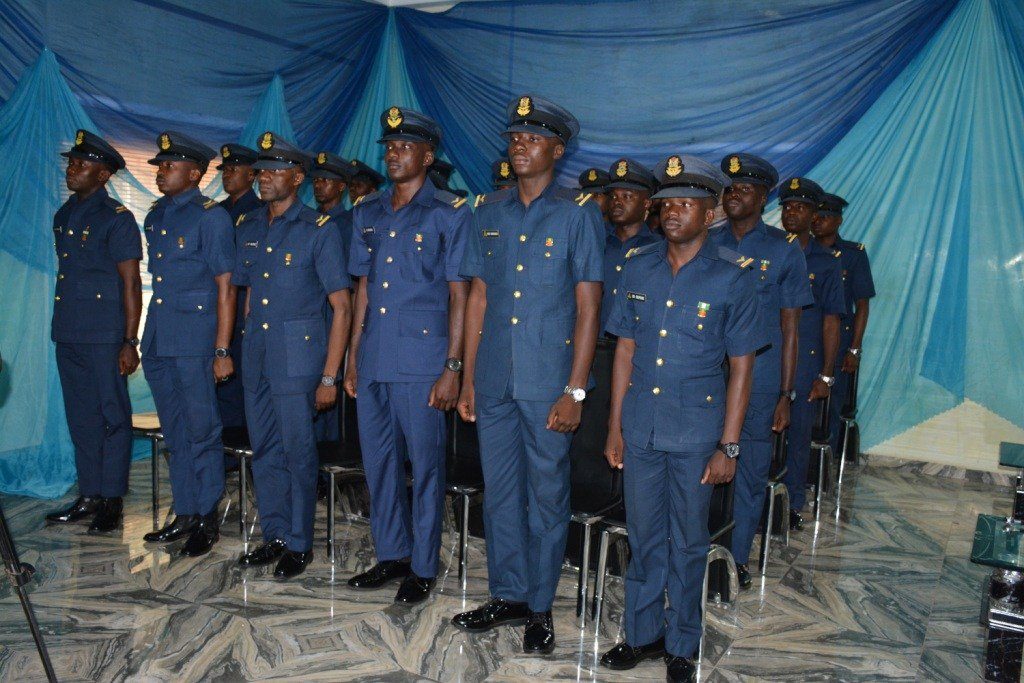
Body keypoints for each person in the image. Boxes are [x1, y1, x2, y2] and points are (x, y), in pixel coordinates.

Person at [598, 155, 762, 683]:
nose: (673, 212)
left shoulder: (732, 278)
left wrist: (729, 446)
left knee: (688, 541)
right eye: (667, 203)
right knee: (644, 537)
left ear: (711, 213)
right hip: (642, 427)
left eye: (687, 203)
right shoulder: (639, 266)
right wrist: (614, 426)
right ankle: (642, 635)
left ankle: (682, 641)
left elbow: (741, 369)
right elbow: (624, 350)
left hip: (696, 434)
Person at [452, 95, 603, 654]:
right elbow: (479, 298)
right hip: (493, 379)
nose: (520, 146)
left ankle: (539, 607)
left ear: (557, 150)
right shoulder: (487, 211)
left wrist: (575, 389)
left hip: (548, 386)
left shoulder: (578, 214)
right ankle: (508, 593)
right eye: (515, 138)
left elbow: (589, 307)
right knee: (501, 494)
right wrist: (467, 377)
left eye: (532, 139)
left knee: (546, 495)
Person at [343, 107, 471, 603]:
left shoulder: (450, 212)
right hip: (375, 356)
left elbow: (460, 295)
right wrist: (354, 356)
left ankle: (422, 563)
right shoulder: (368, 212)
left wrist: (453, 367)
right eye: (389, 147)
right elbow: (364, 290)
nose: (394, 155)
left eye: (404, 147)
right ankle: (391, 553)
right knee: (379, 463)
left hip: (423, 362)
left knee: (426, 466)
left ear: (427, 155)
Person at [233, 132, 351, 579]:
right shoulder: (248, 225)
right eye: (261, 171)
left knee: (299, 452)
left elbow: (342, 306)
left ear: (298, 178)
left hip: (298, 361)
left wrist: (328, 376)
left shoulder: (317, 231)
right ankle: (275, 534)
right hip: (258, 356)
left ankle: (299, 543)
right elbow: (247, 295)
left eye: (274, 171)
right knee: (264, 448)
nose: (264, 178)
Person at [709, 153, 811, 587]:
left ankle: (738, 557)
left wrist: (786, 394)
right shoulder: (707, 242)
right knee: (700, 466)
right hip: (709, 374)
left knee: (750, 472)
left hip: (763, 377)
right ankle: (701, 551)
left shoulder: (782, 251)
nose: (734, 196)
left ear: (763, 197)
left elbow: (791, 328)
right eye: (729, 189)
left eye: (744, 190)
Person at [139, 132, 236, 557]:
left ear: (194, 174)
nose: (160, 172)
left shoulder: (210, 217)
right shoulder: (157, 215)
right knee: (174, 430)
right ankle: (185, 509)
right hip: (160, 336)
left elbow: (225, 287)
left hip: (196, 339)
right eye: (160, 166)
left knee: (201, 427)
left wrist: (220, 349)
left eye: (168, 166)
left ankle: (207, 515)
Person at [45, 130, 142, 534]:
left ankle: (112, 498)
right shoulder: (64, 215)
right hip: (69, 331)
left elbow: (131, 283)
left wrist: (129, 340)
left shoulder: (117, 219)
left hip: (105, 335)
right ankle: (89, 493)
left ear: (103, 175)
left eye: (82, 165)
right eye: (71, 162)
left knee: (112, 415)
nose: (72, 169)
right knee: (80, 417)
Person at [778, 178, 845, 530]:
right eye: (787, 206)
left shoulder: (826, 261)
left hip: (805, 361)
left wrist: (826, 374)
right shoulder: (771, 249)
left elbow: (832, 320)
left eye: (800, 208)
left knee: (798, 435)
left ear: (813, 215)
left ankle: (792, 503)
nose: (792, 213)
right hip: (767, 358)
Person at [813, 192, 875, 457]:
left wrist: (854, 349)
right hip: (806, 340)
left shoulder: (853, 255)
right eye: (815, 216)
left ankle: (824, 469)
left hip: (837, 343)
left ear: (838, 221)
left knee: (831, 409)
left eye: (825, 217)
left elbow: (862, 304)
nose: (818, 221)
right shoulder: (798, 250)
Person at [309, 151, 355, 443]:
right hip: (311, 320)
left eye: (327, 180)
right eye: (317, 180)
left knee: (329, 412)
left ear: (341, 187)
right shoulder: (307, 222)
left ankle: (330, 484)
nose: (319, 185)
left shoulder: (350, 223)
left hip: (336, 316)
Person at [216, 143, 261, 435]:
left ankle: (246, 456)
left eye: (234, 169)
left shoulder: (259, 213)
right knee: (220, 390)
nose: (227, 174)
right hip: (218, 308)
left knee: (245, 387)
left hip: (246, 308)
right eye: (225, 170)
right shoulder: (216, 212)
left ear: (252, 175)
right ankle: (228, 458)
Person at [601, 157, 660, 333]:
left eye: (627, 196)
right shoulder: (597, 242)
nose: (617, 202)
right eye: (613, 196)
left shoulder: (659, 249)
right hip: (594, 343)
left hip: (634, 346)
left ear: (646, 203)